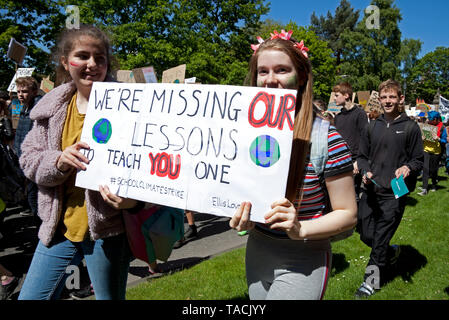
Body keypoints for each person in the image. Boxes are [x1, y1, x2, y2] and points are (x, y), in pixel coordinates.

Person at [229, 30, 357, 300]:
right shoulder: (241, 134)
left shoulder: (326, 138)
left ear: (301, 78)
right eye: (262, 71)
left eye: (282, 70)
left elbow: (348, 214)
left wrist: (301, 229)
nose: (270, 80)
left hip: (304, 256)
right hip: (258, 250)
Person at [17, 25, 143, 300]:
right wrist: (59, 161)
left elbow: (148, 166)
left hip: (108, 231)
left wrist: (131, 201)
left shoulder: (132, 105)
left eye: (100, 57)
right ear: (65, 61)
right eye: (83, 56)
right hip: (58, 228)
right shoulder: (50, 108)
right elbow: (27, 159)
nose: (92, 64)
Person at [356, 79, 423, 298]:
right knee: (366, 235)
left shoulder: (410, 127)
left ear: (401, 99)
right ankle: (390, 251)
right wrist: (364, 170)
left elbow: (418, 160)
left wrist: (407, 167)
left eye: (392, 97)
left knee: (379, 241)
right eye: (384, 97)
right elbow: (362, 157)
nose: (387, 101)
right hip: (370, 191)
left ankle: (370, 283)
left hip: (395, 193)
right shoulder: (371, 125)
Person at [333, 82, 368, 202]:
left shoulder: (360, 114)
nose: (334, 98)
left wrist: (358, 161)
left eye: (337, 95)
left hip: (353, 163)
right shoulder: (338, 116)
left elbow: (365, 139)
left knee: (353, 198)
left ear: (346, 95)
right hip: (338, 161)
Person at [13, 77, 42, 219]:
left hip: (33, 160)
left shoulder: (38, 108)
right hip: (23, 158)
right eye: (18, 91)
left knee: (33, 194)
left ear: (34, 92)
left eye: (24, 91)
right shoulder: (24, 107)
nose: (20, 95)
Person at [417, 111, 447, 195]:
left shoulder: (442, 128)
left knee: (433, 170)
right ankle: (424, 188)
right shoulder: (426, 126)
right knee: (425, 169)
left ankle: (434, 185)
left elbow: (445, 140)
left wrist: (438, 138)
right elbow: (421, 137)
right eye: (429, 119)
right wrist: (421, 138)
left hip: (436, 152)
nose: (429, 121)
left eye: (431, 120)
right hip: (426, 150)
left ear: (436, 119)